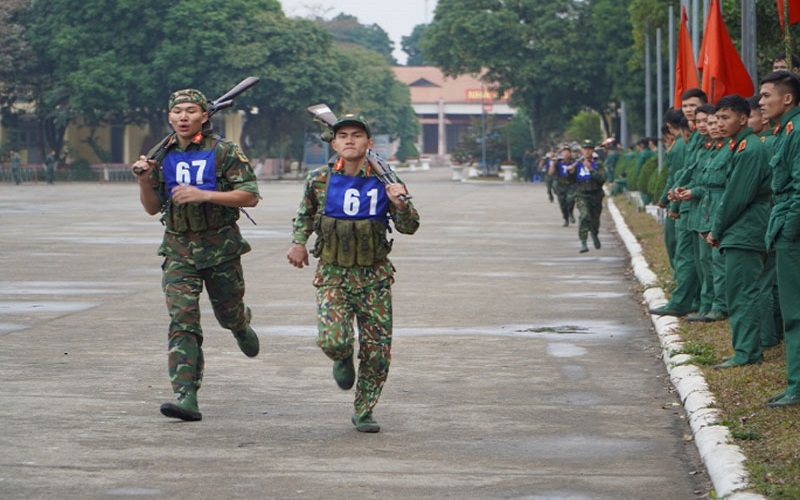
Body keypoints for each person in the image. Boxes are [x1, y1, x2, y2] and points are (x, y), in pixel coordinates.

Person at [131, 88, 261, 422]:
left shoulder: (224, 151)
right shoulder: (161, 155)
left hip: (220, 249)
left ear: (205, 116)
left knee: (227, 312)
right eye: (177, 112)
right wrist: (145, 182)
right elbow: (152, 208)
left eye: (191, 111)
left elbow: (249, 196)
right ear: (169, 117)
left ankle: (240, 324)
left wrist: (204, 194)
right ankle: (186, 395)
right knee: (182, 320)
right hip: (178, 250)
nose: (183, 117)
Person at [287, 114, 420, 433]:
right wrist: (298, 243)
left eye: (357, 135)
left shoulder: (386, 179)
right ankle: (342, 356)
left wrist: (400, 204)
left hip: (374, 277)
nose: (349, 140)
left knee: (377, 351)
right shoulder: (319, 179)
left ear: (369, 144)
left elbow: (410, 226)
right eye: (342, 135)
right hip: (333, 274)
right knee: (332, 340)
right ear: (334, 144)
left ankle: (364, 410)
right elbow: (304, 215)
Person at [705, 95, 771, 369]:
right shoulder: (738, 146)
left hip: (745, 228)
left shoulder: (748, 149)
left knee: (743, 291)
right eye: (717, 118)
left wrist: (715, 229)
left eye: (725, 117)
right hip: (740, 228)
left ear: (742, 118)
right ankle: (744, 348)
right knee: (738, 290)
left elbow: (736, 197)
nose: (720, 123)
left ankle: (747, 351)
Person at [760, 71, 800, 407]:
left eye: (766, 95)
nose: (760, 102)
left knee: (795, 312)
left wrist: (789, 227)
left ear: (787, 98)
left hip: (793, 234)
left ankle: (797, 386)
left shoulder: (796, 130)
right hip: (786, 229)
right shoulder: (786, 130)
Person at [574, 139, 607, 252]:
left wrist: (591, 170)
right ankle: (583, 242)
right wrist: (570, 172)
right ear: (581, 150)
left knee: (594, 219)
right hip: (582, 194)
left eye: (589, 149)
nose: (587, 151)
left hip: (595, 195)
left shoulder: (598, 164)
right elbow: (570, 179)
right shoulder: (577, 163)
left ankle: (594, 234)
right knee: (584, 216)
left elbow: (602, 179)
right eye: (585, 149)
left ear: (593, 150)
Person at [549, 145, 577, 226]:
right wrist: (553, 164)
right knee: (562, 203)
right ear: (561, 153)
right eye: (564, 152)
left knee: (570, 199)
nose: (566, 153)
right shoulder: (557, 162)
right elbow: (550, 173)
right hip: (560, 185)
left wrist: (573, 170)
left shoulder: (574, 162)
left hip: (570, 184)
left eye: (567, 152)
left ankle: (570, 212)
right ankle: (566, 218)